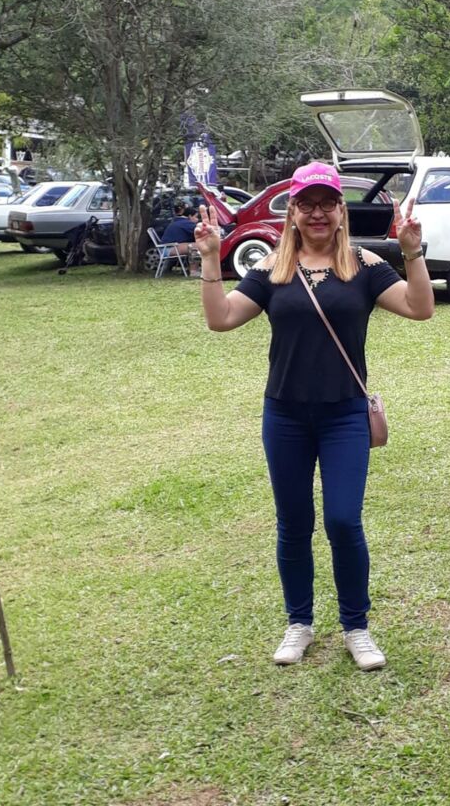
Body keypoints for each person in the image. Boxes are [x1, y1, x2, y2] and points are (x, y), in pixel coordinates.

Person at [193, 161, 434, 671]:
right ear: (293, 213)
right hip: (285, 417)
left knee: (344, 521)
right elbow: (221, 318)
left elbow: (420, 307)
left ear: (341, 211)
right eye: (307, 204)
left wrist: (412, 252)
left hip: (344, 415)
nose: (317, 213)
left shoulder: (364, 266)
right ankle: (299, 623)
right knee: (294, 523)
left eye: (327, 203)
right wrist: (211, 258)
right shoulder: (271, 271)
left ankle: (356, 627)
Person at [160, 205, 200, 275]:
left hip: (165, 248)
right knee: (196, 246)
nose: (197, 220)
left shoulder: (178, 221)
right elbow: (199, 230)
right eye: (196, 217)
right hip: (169, 249)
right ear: (190, 216)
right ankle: (194, 271)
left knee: (193, 245)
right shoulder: (186, 223)